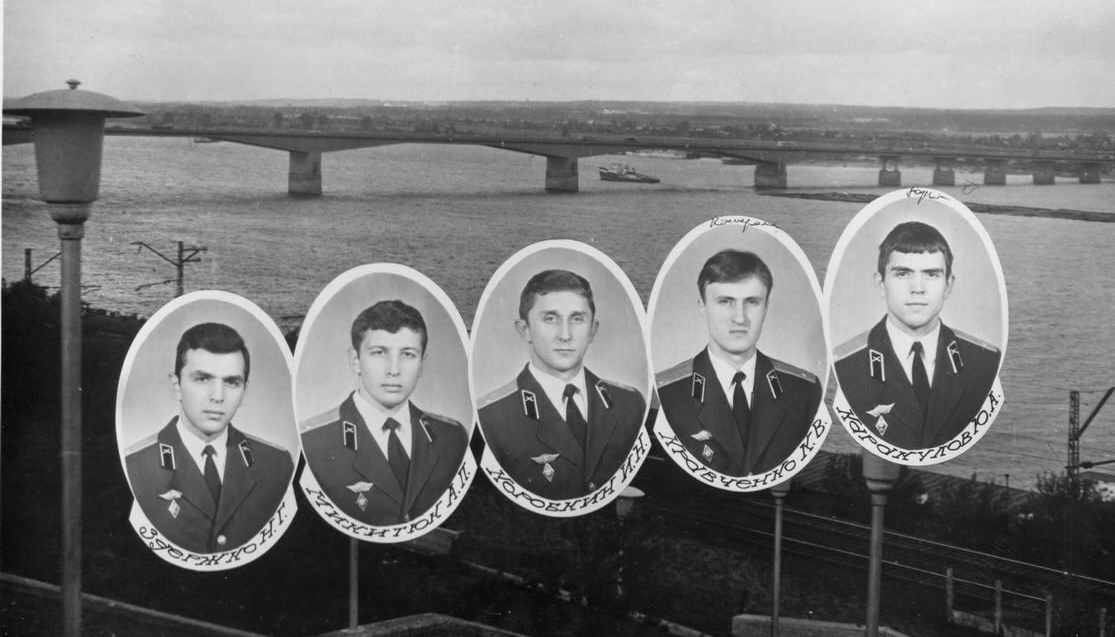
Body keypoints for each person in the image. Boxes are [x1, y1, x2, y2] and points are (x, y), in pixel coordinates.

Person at [124, 323, 294, 554]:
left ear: (244, 391)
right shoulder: (135, 466)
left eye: (232, 382)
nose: (218, 396)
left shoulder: (276, 464)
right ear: (176, 386)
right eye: (202, 379)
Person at [478, 269, 646, 500]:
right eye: (550, 318)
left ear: (592, 330)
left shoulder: (629, 403)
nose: (565, 335)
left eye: (577, 319)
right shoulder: (492, 416)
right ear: (525, 330)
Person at [834, 221, 1001, 451]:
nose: (917, 288)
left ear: (948, 285)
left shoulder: (984, 362)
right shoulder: (845, 366)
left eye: (931, 274)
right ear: (881, 284)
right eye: (903, 273)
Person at [300, 300, 469, 525]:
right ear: (355, 360)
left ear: (421, 364)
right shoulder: (313, 442)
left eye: (408, 354)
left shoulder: (451, 436)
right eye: (379, 353)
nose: (394, 370)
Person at [656, 250, 822, 476]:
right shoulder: (667, 393)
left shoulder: (804, 391)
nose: (740, 318)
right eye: (725, 302)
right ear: (702, 306)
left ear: (766, 308)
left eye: (752, 302)